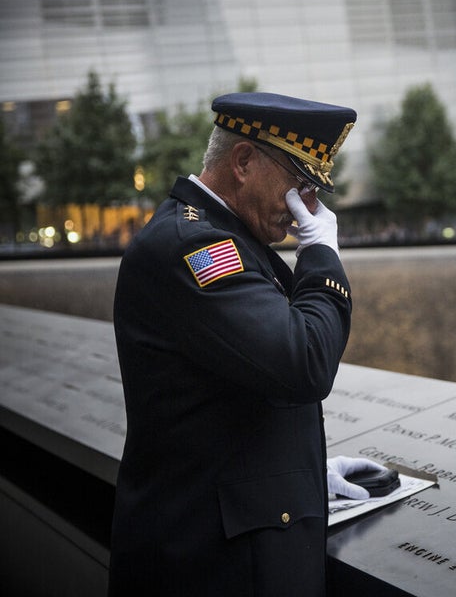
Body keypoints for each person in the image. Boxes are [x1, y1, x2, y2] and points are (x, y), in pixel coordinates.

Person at [109, 92, 387, 596]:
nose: (305, 206)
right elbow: (304, 361)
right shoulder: (195, 245)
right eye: (299, 184)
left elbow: (228, 391)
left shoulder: (226, 238)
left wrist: (302, 472)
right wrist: (320, 253)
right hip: (212, 569)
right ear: (243, 162)